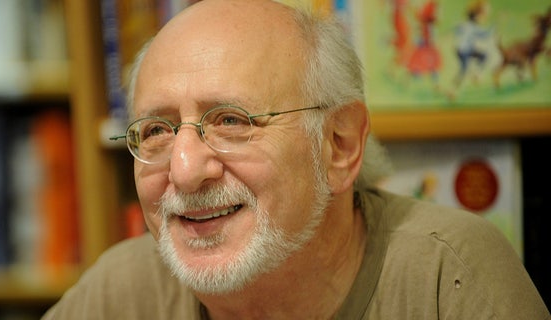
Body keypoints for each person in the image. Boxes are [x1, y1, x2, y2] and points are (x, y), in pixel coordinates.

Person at [43, 0, 549, 318]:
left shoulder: (448, 278)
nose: (184, 169)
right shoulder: (124, 291)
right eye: (155, 130)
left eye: (231, 121)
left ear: (339, 145)